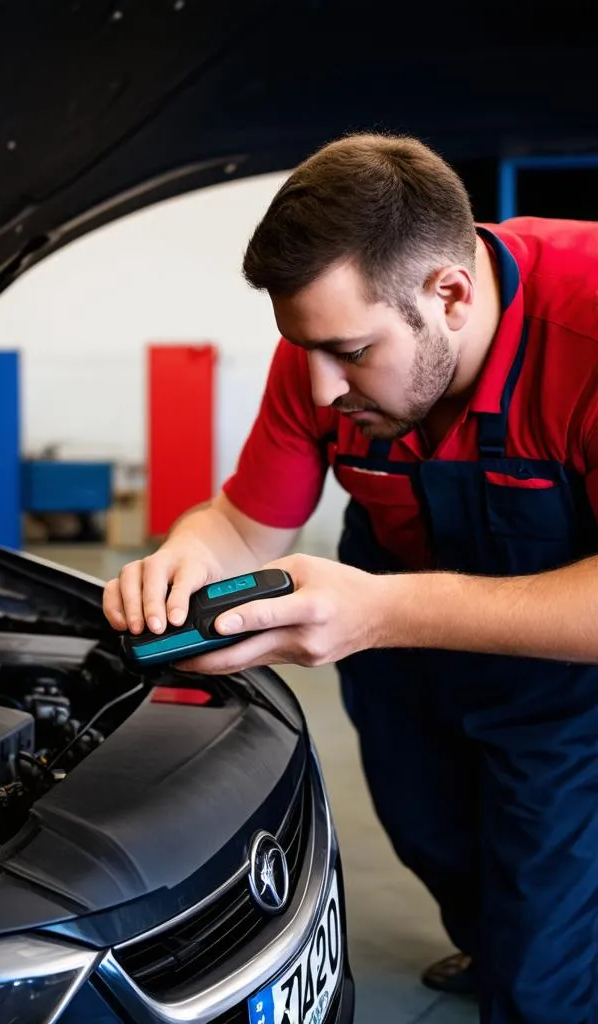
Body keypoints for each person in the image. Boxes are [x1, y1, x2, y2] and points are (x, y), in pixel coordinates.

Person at [103, 132, 598, 1024]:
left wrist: (383, 610)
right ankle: (496, 943)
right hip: (397, 644)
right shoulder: (321, 355)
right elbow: (244, 523)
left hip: (560, 664)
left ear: (448, 294)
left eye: (351, 351)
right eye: (307, 349)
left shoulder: (588, 324)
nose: (323, 387)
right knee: (432, 832)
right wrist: (189, 554)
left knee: (542, 972)